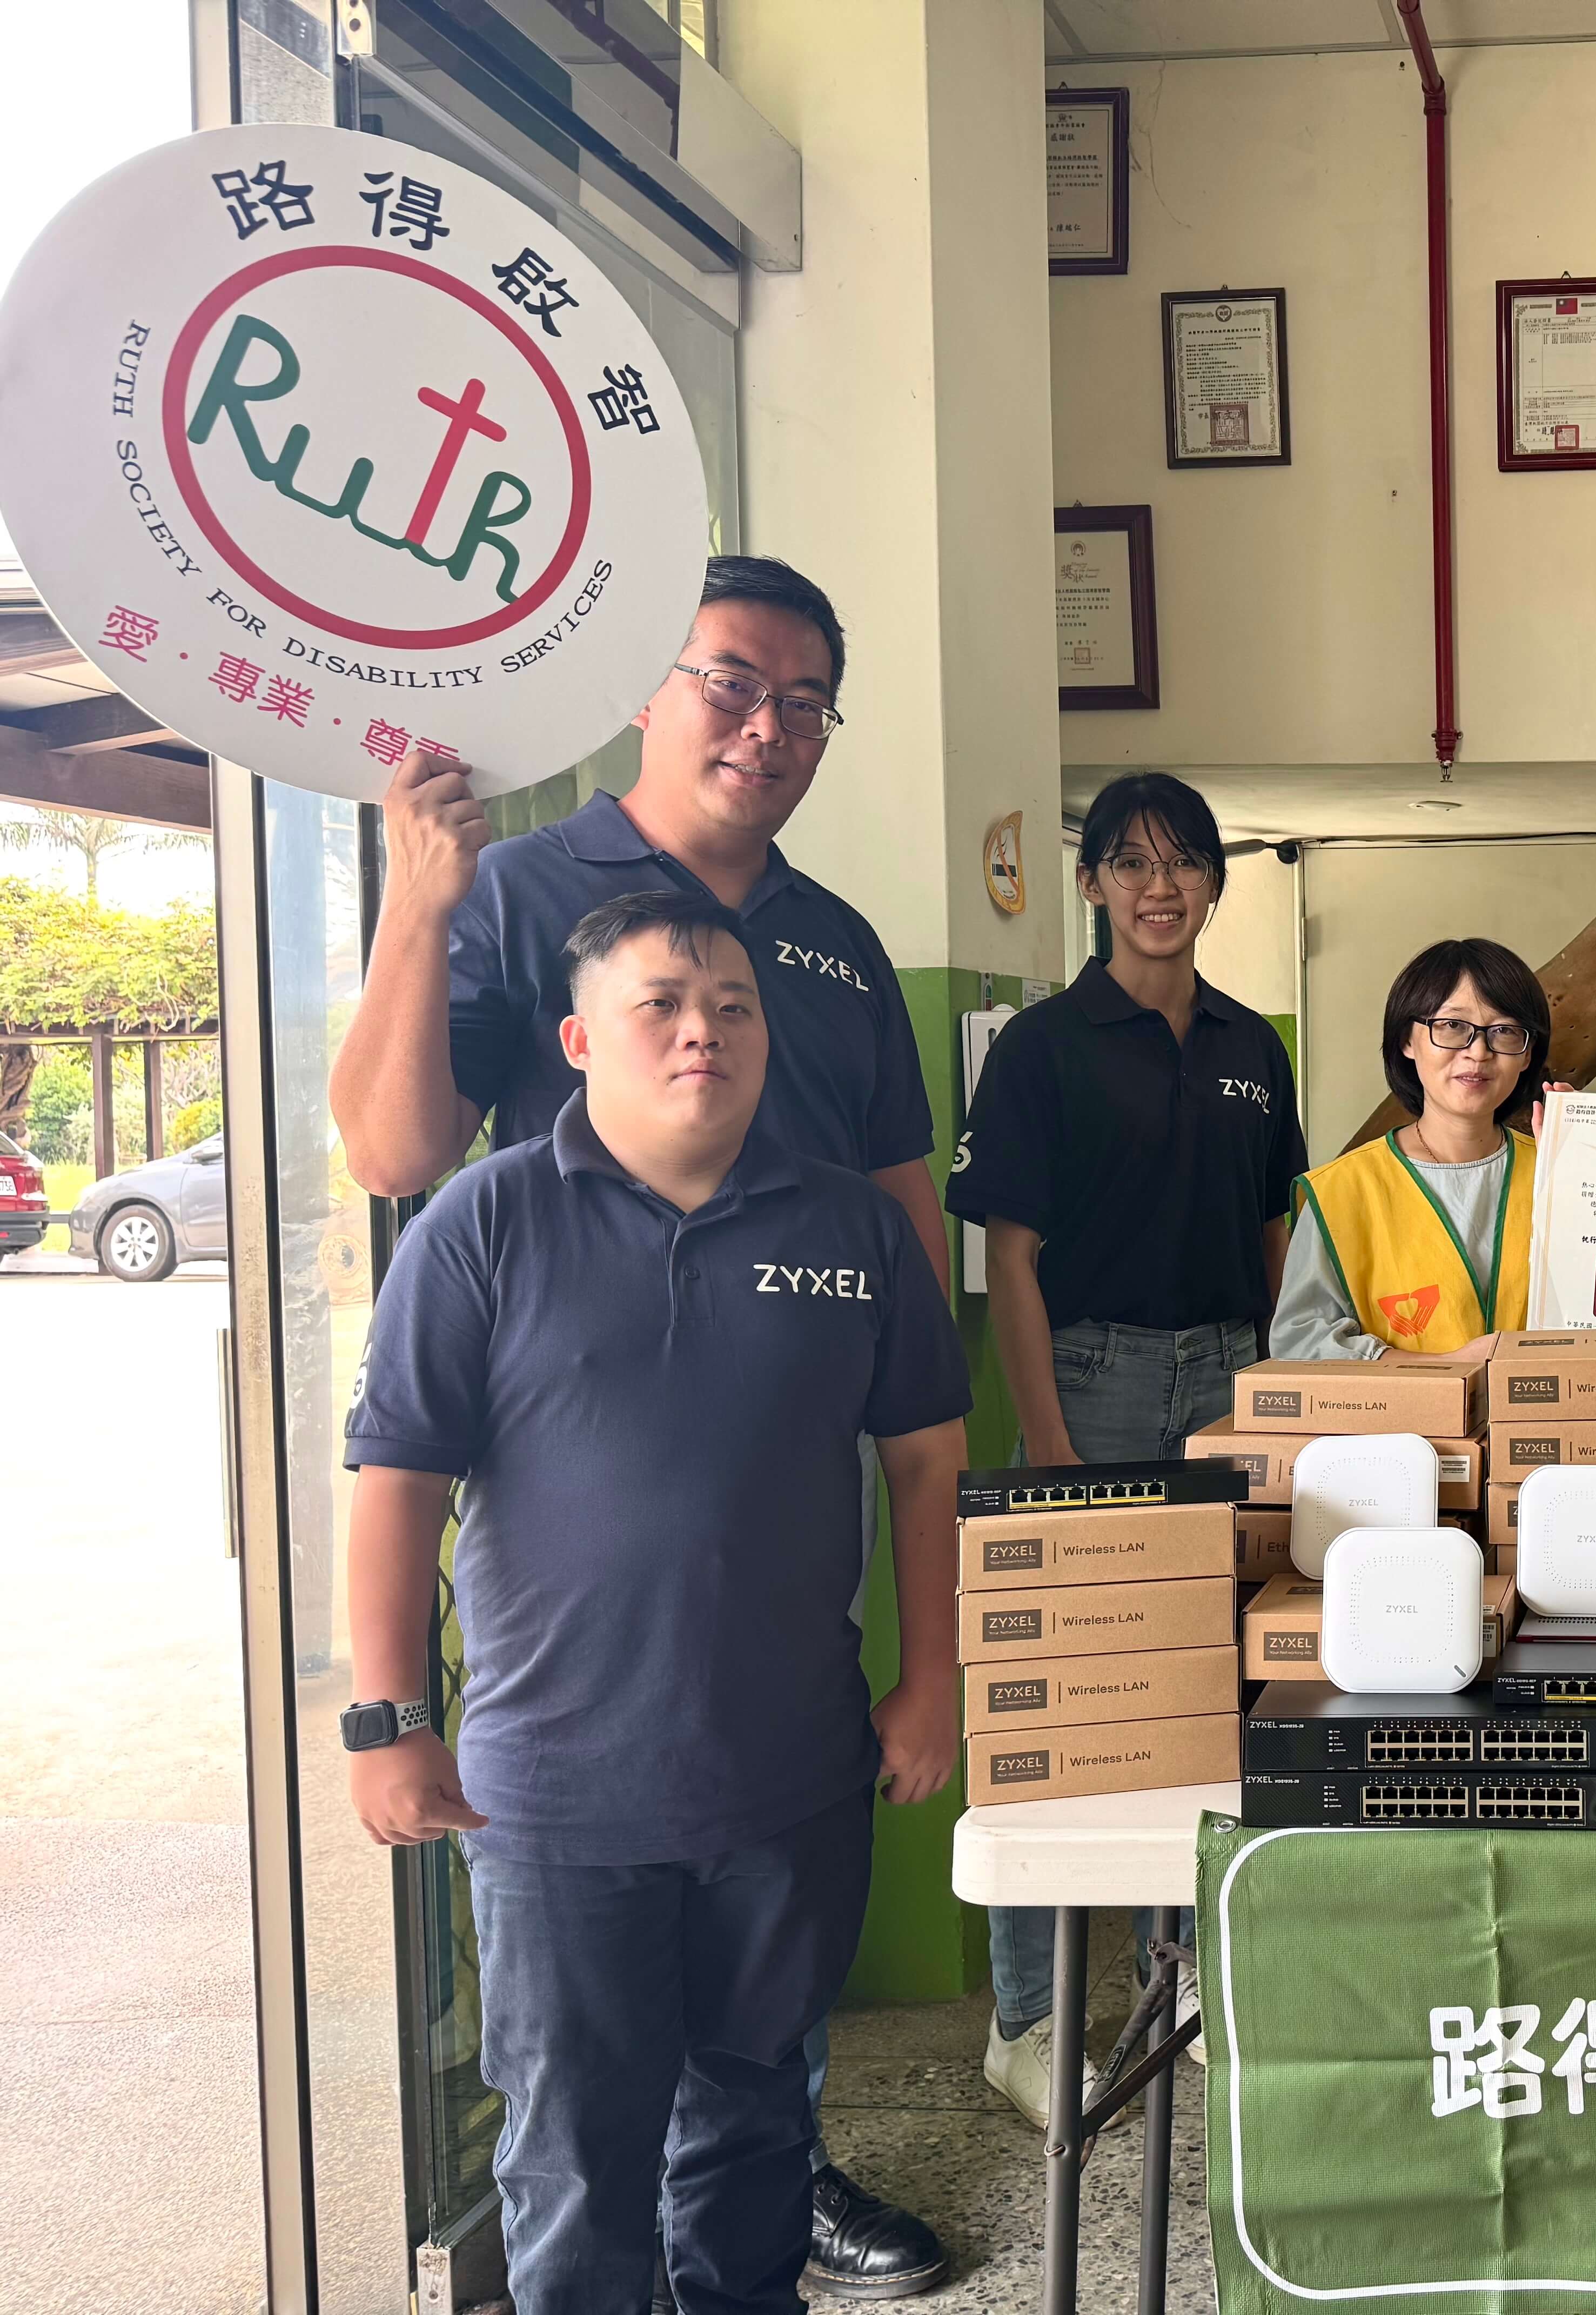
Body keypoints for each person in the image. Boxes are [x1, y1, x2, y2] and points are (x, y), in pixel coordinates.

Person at [327, 555, 954, 2297]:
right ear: (645, 691)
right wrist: (414, 907)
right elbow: (393, 1156)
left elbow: (905, 1253)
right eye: (730, 682)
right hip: (563, 1650)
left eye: (806, 699)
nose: (768, 725)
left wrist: (938, 1648)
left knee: (752, 2098)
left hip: (773, 1654)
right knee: (576, 2129)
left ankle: (775, 2206)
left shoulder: (829, 945)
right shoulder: (520, 895)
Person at [945, 772, 1303, 2121]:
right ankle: (1029, 2023)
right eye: (1132, 863)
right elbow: (1013, 1258)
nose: (1162, 887)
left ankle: (1193, 1988)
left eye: (1186, 862)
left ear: (1216, 883)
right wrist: (1045, 1444)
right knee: (1060, 1699)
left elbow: (1278, 1240)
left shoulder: (1253, 1047)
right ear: (1091, 883)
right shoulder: (1042, 1048)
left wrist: (1283, 1394)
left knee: (1212, 1694)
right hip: (1086, 1384)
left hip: (1229, 1379)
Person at [1273, 938, 1546, 1359]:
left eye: (1505, 1031)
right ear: (1406, 1041)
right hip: (1401, 1425)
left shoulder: (1561, 1172)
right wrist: (1444, 1371)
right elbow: (1300, 1341)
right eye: (1452, 1026)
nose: (1478, 1052)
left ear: (1526, 1055)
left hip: (1550, 1421)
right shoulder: (1344, 1191)